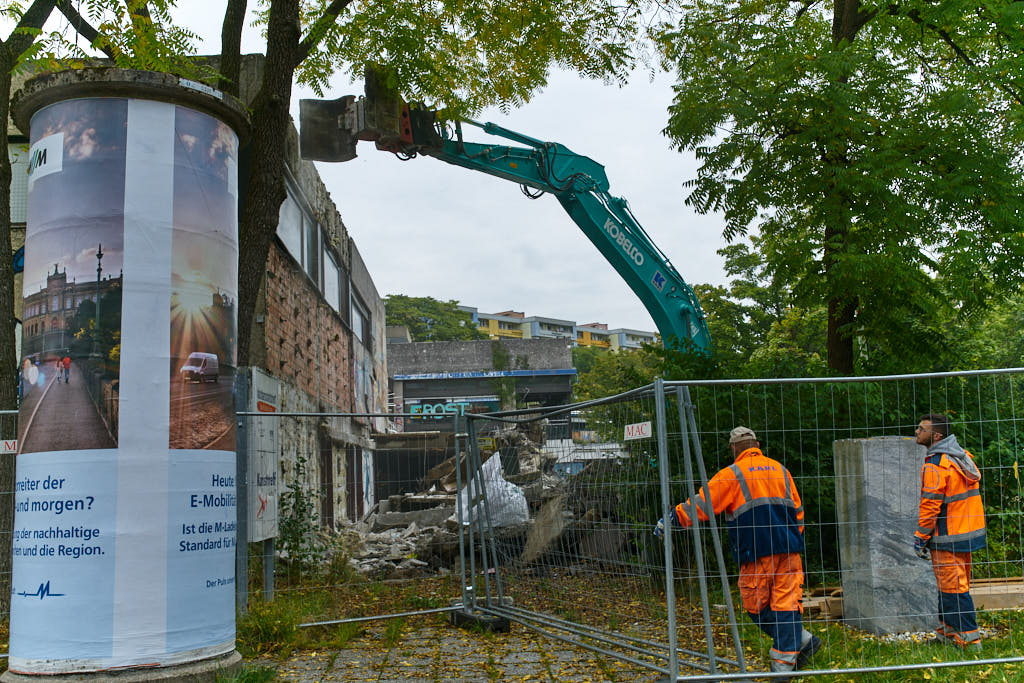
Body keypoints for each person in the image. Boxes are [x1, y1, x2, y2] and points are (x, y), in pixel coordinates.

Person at [656, 426, 819, 680]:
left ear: (734, 448)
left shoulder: (732, 474)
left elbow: (703, 503)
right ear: (757, 444)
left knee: (755, 606)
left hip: (756, 551)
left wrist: (673, 517)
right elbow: (798, 511)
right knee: (786, 605)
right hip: (790, 549)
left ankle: (783, 667)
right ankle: (801, 642)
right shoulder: (781, 470)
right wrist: (793, 539)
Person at [913, 414, 985, 650]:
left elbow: (930, 504)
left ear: (936, 435)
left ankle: (971, 642)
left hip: (948, 537)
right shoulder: (959, 456)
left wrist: (921, 537)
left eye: (921, 429)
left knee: (954, 589)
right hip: (967, 533)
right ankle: (946, 634)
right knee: (950, 586)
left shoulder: (936, 464)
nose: (916, 431)